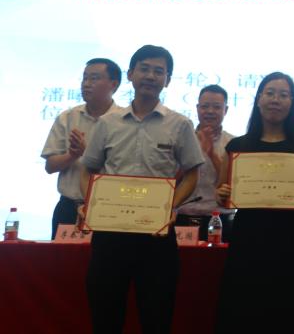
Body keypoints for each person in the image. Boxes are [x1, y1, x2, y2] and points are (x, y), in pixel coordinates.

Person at [79, 45, 204, 334]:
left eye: (159, 71)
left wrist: (171, 205)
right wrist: (91, 202)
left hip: (156, 234)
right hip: (111, 233)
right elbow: (88, 169)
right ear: (130, 74)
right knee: (105, 315)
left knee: (156, 316)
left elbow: (192, 174)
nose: (150, 76)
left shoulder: (180, 124)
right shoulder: (107, 123)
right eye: (144, 69)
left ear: (167, 80)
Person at [215, 72, 294, 333]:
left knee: (290, 306)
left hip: (291, 238)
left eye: (284, 95)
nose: (276, 99)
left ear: (292, 102)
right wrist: (223, 193)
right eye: (270, 93)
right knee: (246, 304)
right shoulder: (238, 146)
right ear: (259, 98)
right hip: (249, 237)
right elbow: (223, 194)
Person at [41, 58, 125, 238]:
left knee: (104, 256)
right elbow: (50, 166)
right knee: (62, 257)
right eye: (85, 78)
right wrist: (72, 155)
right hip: (68, 208)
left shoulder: (124, 121)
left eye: (94, 78)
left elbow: (125, 168)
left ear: (114, 84)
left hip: (109, 209)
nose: (86, 84)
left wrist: (87, 154)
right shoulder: (68, 117)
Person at [175, 84, 235, 241]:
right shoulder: (181, 139)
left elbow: (233, 184)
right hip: (182, 215)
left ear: (226, 110)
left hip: (218, 219)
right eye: (205, 106)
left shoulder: (233, 143)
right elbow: (171, 181)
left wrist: (211, 154)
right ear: (197, 108)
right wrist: (192, 159)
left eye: (217, 107)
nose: (210, 111)